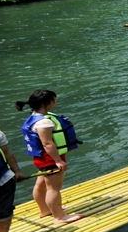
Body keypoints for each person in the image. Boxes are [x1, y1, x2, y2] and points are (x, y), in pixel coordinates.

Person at [15, 90, 82, 224]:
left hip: (40, 158)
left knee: (41, 184)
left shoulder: (34, 117)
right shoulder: (44, 123)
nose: (56, 101)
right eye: (54, 99)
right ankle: (59, 216)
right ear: (46, 102)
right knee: (54, 188)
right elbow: (47, 143)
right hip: (50, 158)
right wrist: (58, 160)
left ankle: (45, 210)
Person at [0, 126, 27, 232]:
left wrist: (17, 171)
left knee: (5, 209)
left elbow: (6, 152)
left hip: (2, 178)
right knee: (4, 209)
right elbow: (7, 152)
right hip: (2, 178)